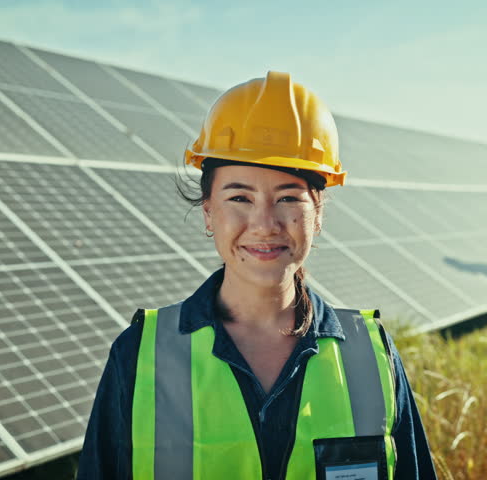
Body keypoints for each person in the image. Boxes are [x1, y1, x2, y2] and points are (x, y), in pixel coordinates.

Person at [76, 72, 437, 479]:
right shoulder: (139, 357)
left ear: (318, 214)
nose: (265, 224)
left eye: (287, 198)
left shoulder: (370, 357)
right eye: (240, 198)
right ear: (209, 211)